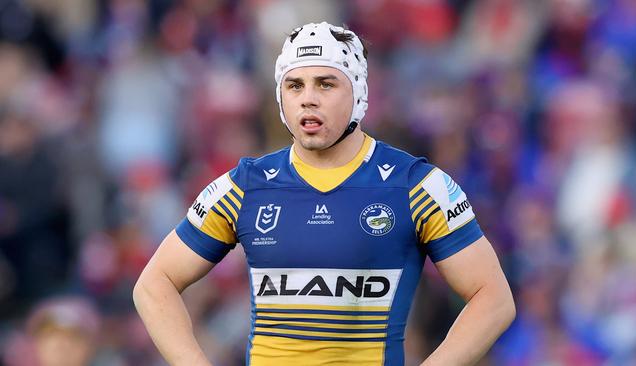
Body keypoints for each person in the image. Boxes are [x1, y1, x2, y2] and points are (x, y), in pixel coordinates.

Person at [133, 22, 515, 366]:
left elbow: (494, 299)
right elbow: (154, 284)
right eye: (294, 85)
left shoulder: (416, 185)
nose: (308, 98)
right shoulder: (245, 186)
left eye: (326, 83)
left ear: (359, 93)